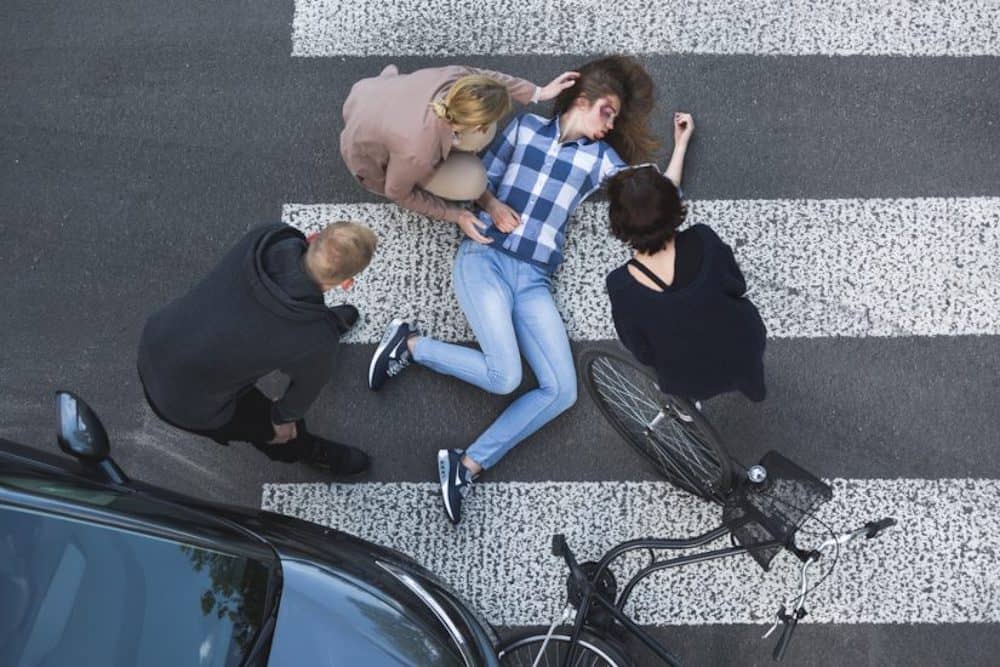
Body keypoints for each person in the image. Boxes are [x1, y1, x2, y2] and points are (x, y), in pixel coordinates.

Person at [368, 56, 659, 524]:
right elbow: (475, 181)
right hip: (486, 257)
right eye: (607, 111)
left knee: (561, 390)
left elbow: (657, 194)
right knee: (504, 377)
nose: (611, 124)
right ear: (582, 100)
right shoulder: (523, 129)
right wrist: (494, 204)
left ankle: (466, 465)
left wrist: (681, 144)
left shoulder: (600, 160)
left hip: (536, 280)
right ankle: (412, 345)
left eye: (616, 119)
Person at [137, 221, 378, 475]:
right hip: (187, 401)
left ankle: (316, 320)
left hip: (160, 337)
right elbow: (301, 394)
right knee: (275, 431)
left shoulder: (269, 238)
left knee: (307, 342)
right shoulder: (316, 337)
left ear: (313, 236)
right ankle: (302, 448)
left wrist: (317, 330)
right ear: (346, 282)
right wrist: (281, 419)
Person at [605, 113, 767, 403]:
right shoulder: (702, 240)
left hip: (687, 378)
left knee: (679, 382)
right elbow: (737, 285)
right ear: (674, 208)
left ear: (620, 226)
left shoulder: (621, 285)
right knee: (747, 364)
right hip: (743, 346)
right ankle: (755, 390)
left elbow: (640, 349)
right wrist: (680, 145)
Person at [340, 64, 579, 243]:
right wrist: (455, 214)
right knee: (473, 182)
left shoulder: (457, 78)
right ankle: (449, 161)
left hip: (374, 97)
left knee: (485, 135)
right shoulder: (417, 153)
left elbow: (491, 81)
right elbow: (397, 192)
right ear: (476, 124)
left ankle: (454, 145)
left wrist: (538, 92)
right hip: (371, 156)